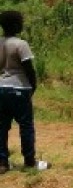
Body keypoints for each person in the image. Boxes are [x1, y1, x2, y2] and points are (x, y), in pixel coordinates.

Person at [0, 11, 44, 173]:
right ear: (15, 25)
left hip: (1, 89)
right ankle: (29, 161)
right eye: (20, 22)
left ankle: (2, 162)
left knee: (2, 127)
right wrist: (33, 85)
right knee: (25, 126)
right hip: (20, 88)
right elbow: (28, 68)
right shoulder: (20, 44)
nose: (22, 25)